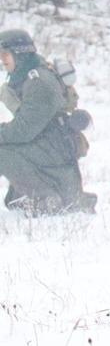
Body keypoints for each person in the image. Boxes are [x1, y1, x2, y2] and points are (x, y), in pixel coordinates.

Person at [0, 29, 94, 215]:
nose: (2, 59)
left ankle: (45, 198)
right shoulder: (27, 75)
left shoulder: (38, 82)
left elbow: (23, 130)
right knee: (14, 202)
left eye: (5, 54)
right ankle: (30, 196)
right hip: (51, 143)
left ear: (20, 54)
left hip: (54, 146)